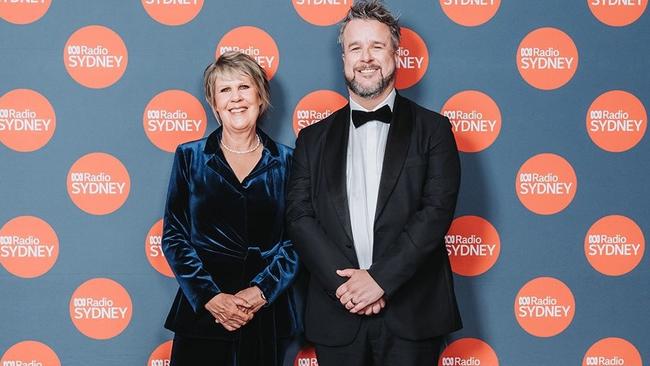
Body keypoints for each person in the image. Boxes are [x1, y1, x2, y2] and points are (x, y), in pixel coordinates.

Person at [286, 1, 462, 365]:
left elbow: (436, 212)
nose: (366, 58)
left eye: (377, 46)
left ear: (396, 54)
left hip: (412, 312)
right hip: (338, 313)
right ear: (344, 59)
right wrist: (349, 288)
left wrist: (379, 280)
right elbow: (299, 218)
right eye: (355, 48)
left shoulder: (434, 130)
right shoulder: (312, 138)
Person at [162, 51, 299, 366]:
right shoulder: (190, 157)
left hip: (265, 315)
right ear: (213, 104)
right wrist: (210, 297)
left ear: (260, 97)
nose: (236, 98)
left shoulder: (289, 161)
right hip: (202, 314)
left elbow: (297, 240)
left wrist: (261, 291)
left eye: (244, 87)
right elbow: (174, 236)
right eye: (225, 90)